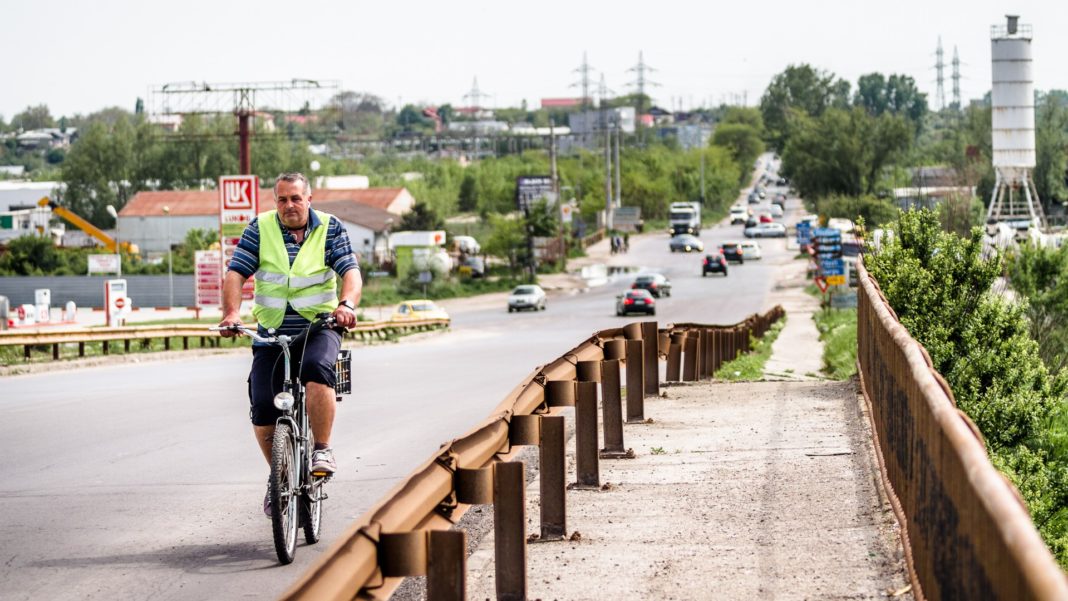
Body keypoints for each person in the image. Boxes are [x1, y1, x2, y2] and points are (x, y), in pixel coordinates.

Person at [218, 172, 362, 516]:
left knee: (316, 370)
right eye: (282, 199)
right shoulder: (260, 227)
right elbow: (236, 273)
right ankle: (278, 477)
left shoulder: (330, 227)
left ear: (308, 199)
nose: (289, 206)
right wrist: (232, 313)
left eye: (296, 198)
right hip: (270, 333)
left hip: (319, 326)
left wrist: (346, 305)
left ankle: (322, 449)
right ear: (275, 202)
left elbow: (350, 272)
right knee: (263, 406)